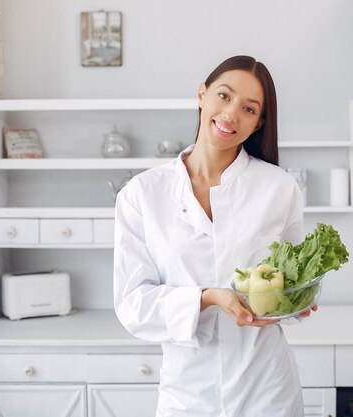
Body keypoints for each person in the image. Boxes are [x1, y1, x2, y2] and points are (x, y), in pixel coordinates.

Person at [113, 55, 314, 417]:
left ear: (258, 123)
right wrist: (206, 298)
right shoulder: (141, 194)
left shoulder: (279, 188)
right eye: (224, 96)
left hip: (266, 389)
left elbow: (294, 280)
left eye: (249, 108)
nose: (231, 114)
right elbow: (132, 304)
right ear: (202, 95)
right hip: (187, 394)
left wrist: (298, 299)